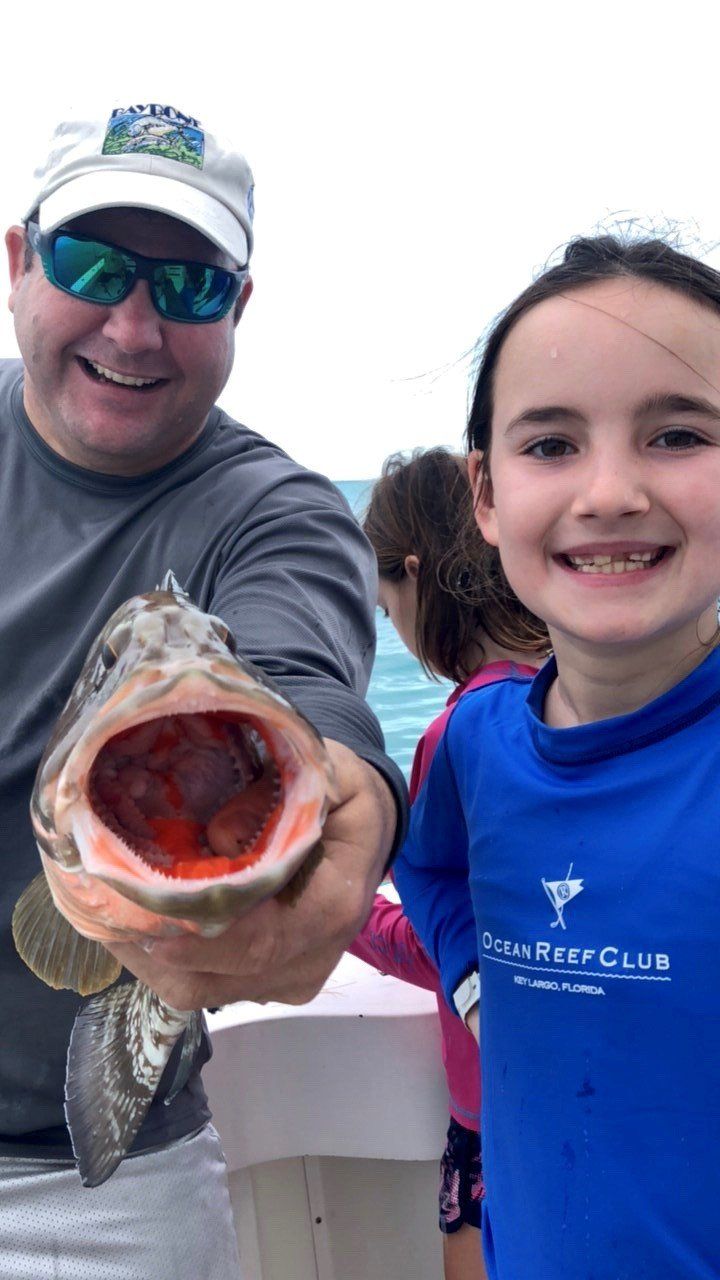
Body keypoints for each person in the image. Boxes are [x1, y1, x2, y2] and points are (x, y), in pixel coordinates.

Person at [0, 101, 403, 1279]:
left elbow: (305, 679)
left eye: (189, 286)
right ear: (19, 260)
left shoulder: (278, 511)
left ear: (239, 306)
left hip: (96, 1197)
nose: (134, 324)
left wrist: (353, 806)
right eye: (94, 265)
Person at [394, 234, 720, 1279]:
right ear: (486, 495)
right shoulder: (474, 743)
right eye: (551, 444)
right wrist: (471, 976)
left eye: (678, 434)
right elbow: (425, 862)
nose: (610, 491)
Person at [347, 449, 547, 1280]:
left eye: (387, 606)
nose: (395, 629)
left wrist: (339, 908)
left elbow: (453, 945)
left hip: (497, 1117)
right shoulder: (565, 694)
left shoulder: (460, 731)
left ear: (415, 573)